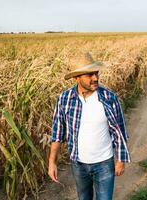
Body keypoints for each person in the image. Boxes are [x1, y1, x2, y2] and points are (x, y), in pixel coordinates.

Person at [48, 52, 131, 200]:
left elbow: (120, 131)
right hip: (78, 164)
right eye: (89, 75)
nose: (95, 78)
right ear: (77, 78)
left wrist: (120, 160)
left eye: (96, 73)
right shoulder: (65, 99)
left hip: (104, 163)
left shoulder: (109, 98)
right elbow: (57, 133)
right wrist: (52, 162)